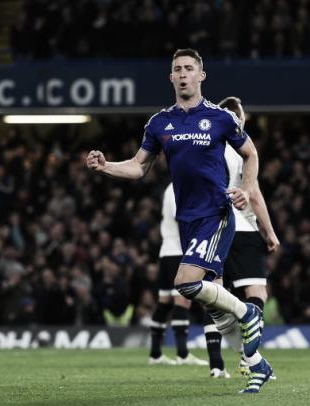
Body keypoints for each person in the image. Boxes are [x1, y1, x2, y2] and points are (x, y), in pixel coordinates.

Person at [86, 48, 272, 393]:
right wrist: (106, 166)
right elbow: (139, 166)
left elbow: (251, 153)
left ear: (201, 75)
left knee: (185, 283)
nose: (183, 73)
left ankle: (249, 314)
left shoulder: (220, 118)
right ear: (171, 77)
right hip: (186, 220)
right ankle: (257, 364)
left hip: (214, 214)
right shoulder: (159, 123)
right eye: (177, 69)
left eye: (189, 68)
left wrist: (246, 188)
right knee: (214, 307)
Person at [198, 96, 280, 377]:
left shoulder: (207, 150)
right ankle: (250, 356)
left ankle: (228, 360)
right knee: (256, 294)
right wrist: (269, 231)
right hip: (243, 231)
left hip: (213, 230)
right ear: (238, 120)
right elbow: (254, 194)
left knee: (218, 296)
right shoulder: (242, 150)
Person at [147, 183, 209, 367]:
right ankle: (182, 354)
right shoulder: (178, 187)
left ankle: (155, 354)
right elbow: (180, 216)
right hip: (177, 251)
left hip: (167, 251)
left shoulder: (171, 187)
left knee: (165, 302)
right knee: (183, 300)